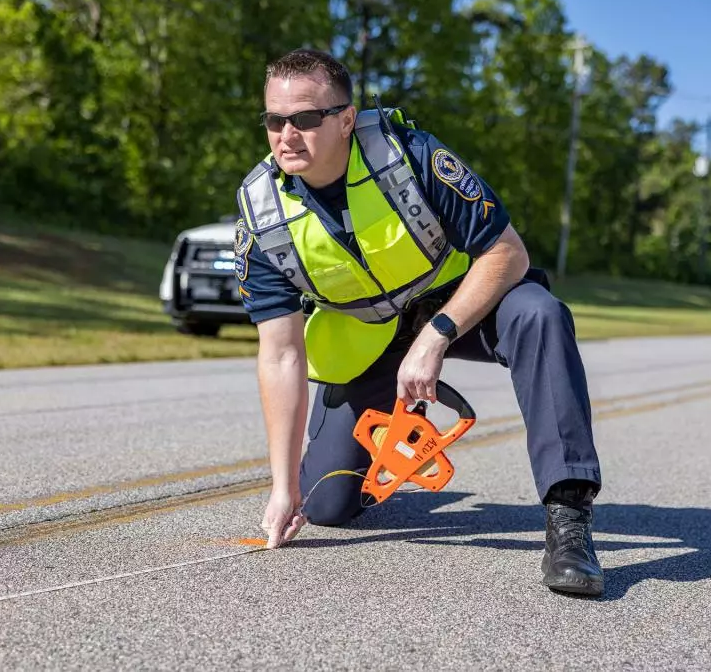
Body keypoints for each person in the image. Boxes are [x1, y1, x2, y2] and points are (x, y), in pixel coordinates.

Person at [233, 48, 604, 597]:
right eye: (274, 119)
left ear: (344, 119)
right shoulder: (259, 212)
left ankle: (569, 519)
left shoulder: (411, 155)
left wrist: (437, 334)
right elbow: (281, 354)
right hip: (368, 337)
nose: (287, 134)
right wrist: (281, 488)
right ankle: (351, 463)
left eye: (305, 118)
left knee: (540, 313)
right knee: (327, 506)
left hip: (461, 304)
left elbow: (508, 254)